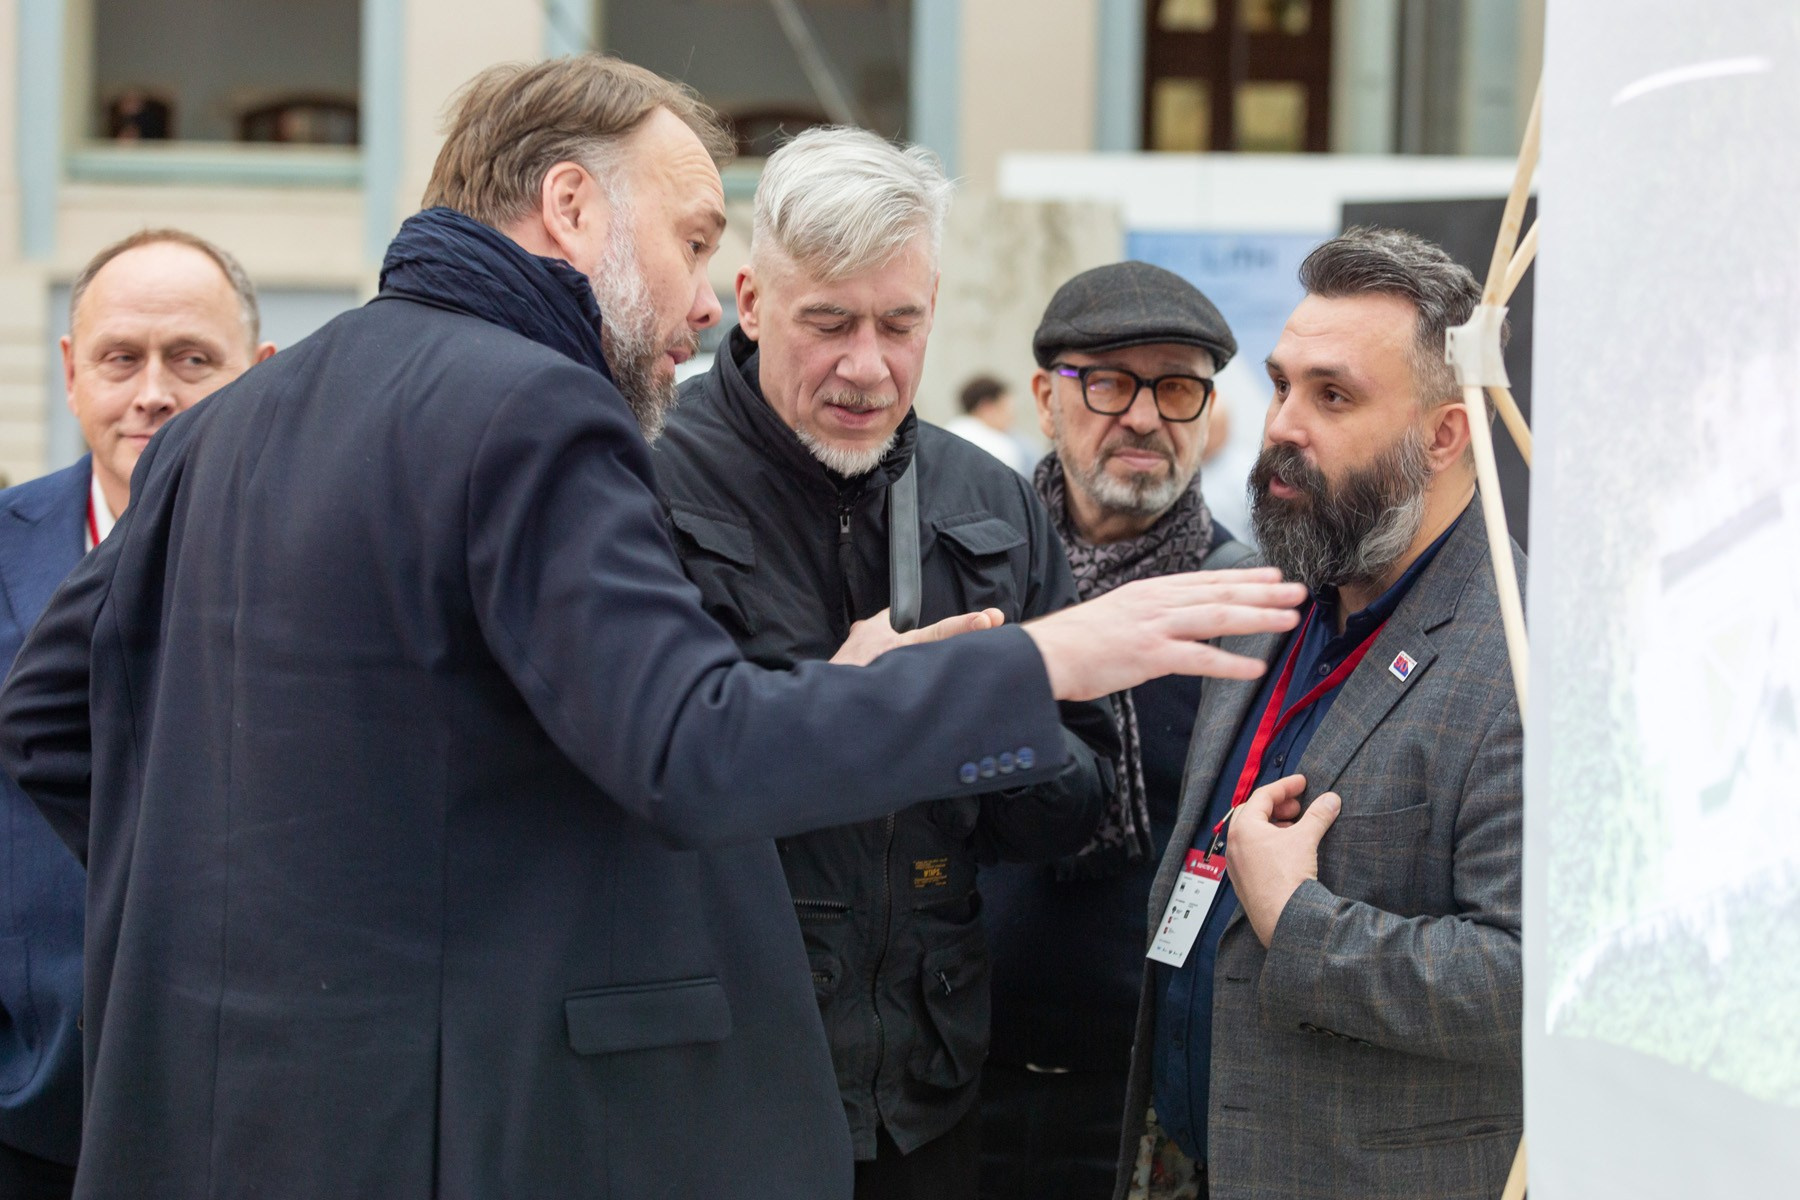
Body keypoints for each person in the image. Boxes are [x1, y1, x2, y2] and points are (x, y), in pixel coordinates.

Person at [0, 56, 1306, 1200]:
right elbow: (691, 748)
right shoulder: (535, 409)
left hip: (218, 1113)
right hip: (451, 1128)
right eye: (689, 241)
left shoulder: (226, 424)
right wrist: (1041, 658)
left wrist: (247, 917)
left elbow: (51, 717)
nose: (700, 301)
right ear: (571, 208)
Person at [655, 127, 1114, 1200]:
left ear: (934, 305)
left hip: (927, 1094)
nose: (868, 368)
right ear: (751, 301)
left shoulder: (991, 502)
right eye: (829, 324)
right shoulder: (644, 475)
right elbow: (631, 784)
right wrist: (853, 706)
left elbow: (1074, 810)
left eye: (901, 325)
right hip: (710, 1091)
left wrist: (976, 716)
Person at [1114, 228, 1525, 1200]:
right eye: (1281, 384)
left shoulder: (1523, 654)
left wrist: (1304, 923)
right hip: (1177, 1158)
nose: (1282, 426)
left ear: (1444, 435)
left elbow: (1530, 982)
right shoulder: (1263, 587)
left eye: (1333, 396)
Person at [0, 229, 273, 1200]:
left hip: (250, 1124)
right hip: (30, 1119)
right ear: (71, 372)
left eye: (192, 359)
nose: (153, 391)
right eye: (121, 358)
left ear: (261, 377)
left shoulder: (333, 564)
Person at [978, 261, 1250, 1200]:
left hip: (1145, 1104)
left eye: (1175, 388)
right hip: (955, 1078)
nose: (1142, 416)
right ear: (1045, 400)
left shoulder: (1247, 610)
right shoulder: (975, 581)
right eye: (1108, 383)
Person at [946, 374, 1034, 475]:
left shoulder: (946, 436)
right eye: (1006, 409)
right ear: (987, 408)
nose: (1011, 418)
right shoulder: (1000, 448)